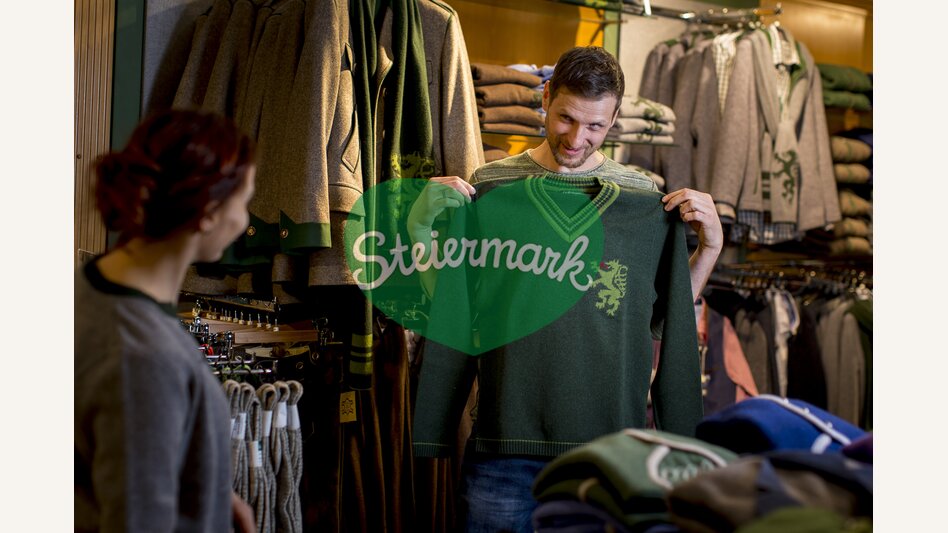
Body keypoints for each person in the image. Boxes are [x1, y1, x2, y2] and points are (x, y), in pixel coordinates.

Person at [409, 46, 724, 532]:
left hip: (610, 457)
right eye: (566, 119)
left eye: (596, 126)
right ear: (546, 96)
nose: (577, 138)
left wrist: (708, 250)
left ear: (616, 117)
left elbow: (660, 320)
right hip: (502, 452)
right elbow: (452, 311)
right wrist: (421, 230)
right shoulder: (490, 189)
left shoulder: (644, 203)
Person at [74, 109, 258, 533]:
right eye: (244, 202)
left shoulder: (91, 286)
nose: (245, 221)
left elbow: (120, 459)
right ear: (209, 214)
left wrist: (212, 497)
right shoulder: (143, 358)